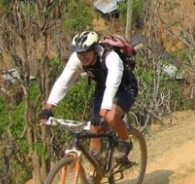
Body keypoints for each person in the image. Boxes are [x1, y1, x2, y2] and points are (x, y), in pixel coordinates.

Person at [39, 31, 137, 164]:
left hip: (124, 87)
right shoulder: (77, 59)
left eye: (85, 52)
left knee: (110, 117)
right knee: (95, 130)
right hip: (103, 88)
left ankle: (126, 142)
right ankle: (95, 175)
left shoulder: (110, 57)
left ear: (95, 49)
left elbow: (112, 84)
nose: (82, 57)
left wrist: (103, 111)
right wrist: (48, 107)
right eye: (79, 53)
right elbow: (64, 81)